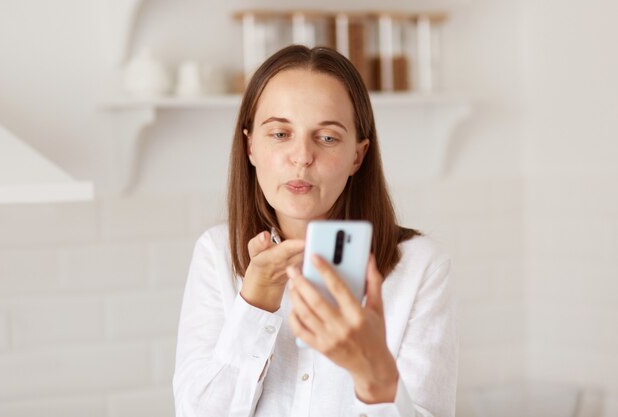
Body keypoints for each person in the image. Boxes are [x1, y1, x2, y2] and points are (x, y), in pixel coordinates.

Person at [173, 45, 458, 417]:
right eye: (279, 134)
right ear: (250, 147)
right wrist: (255, 302)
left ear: (358, 155)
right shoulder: (217, 253)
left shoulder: (421, 266)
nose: (302, 156)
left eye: (326, 138)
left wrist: (374, 377)